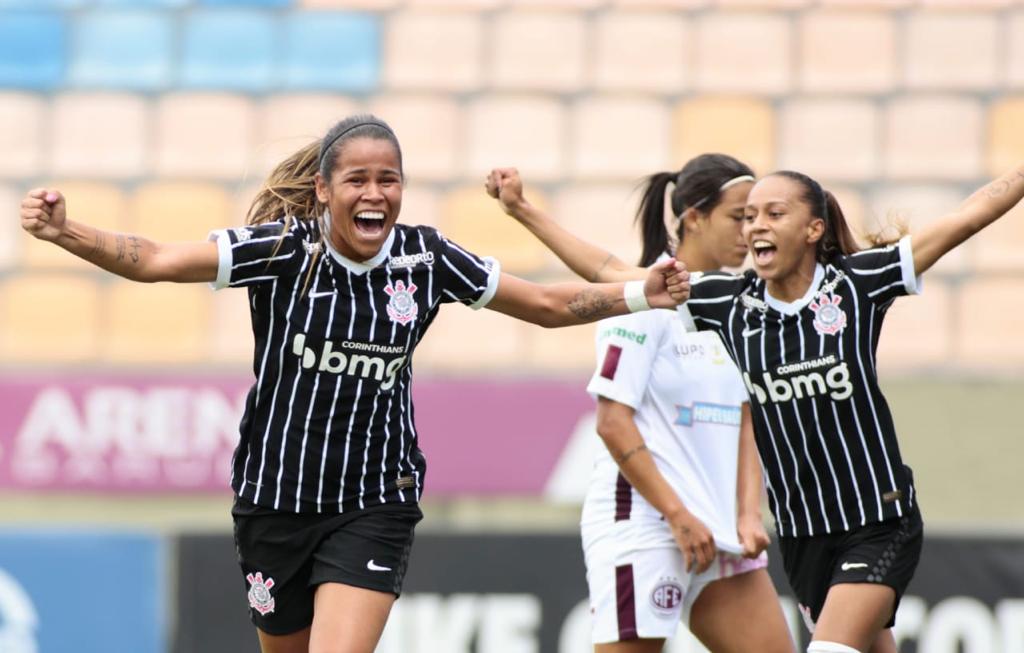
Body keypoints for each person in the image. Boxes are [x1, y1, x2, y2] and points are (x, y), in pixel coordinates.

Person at [17, 115, 690, 653]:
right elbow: (158, 259)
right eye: (358, 180)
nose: (375, 194)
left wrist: (635, 294)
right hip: (273, 498)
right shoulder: (283, 250)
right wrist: (63, 230)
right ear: (323, 190)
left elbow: (544, 304)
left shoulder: (426, 258)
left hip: (374, 499)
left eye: (389, 180)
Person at [487, 161, 1024, 653]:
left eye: (773, 214)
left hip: (877, 518)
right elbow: (610, 271)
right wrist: (525, 212)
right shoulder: (729, 303)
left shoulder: (857, 285)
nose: (754, 227)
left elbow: (967, 216)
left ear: (813, 229)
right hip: (804, 536)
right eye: (747, 217)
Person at [486, 155, 795, 653]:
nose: (752, 229)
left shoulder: (739, 308)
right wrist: (676, 514)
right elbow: (612, 423)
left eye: (760, 216)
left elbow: (744, 420)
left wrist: (748, 513)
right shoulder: (643, 299)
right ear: (693, 216)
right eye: (740, 216)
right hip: (648, 526)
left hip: (716, 530)